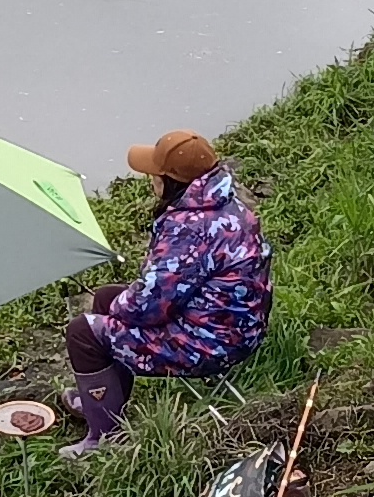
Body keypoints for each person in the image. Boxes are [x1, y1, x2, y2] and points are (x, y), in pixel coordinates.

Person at [62, 129, 271, 444]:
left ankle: (103, 440)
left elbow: (149, 306)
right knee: (107, 298)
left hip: (209, 345)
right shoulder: (225, 204)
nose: (150, 179)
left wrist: (122, 306)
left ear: (174, 182)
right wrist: (120, 303)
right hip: (237, 327)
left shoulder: (189, 229)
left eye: (155, 174)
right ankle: (104, 402)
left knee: (83, 332)